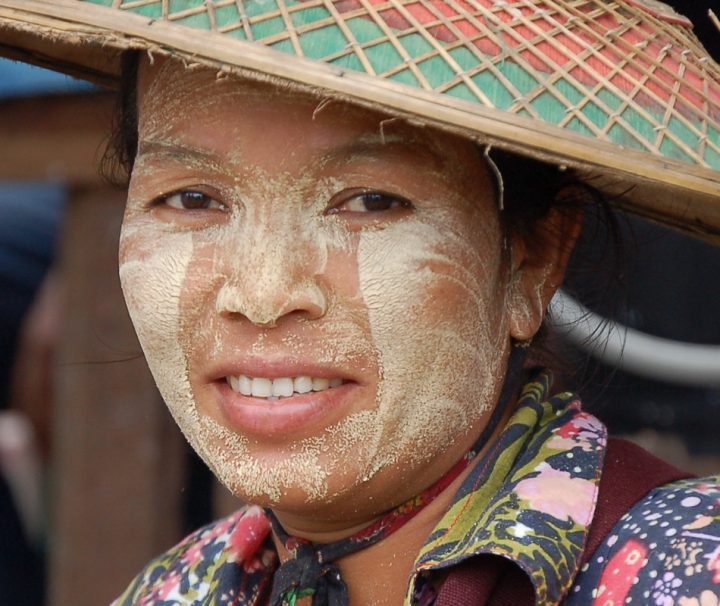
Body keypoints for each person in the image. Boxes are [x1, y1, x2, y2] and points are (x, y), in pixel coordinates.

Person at [1, 1, 719, 604]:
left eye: (369, 203)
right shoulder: (175, 592)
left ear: (532, 260)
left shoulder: (686, 574)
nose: (262, 294)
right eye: (193, 199)